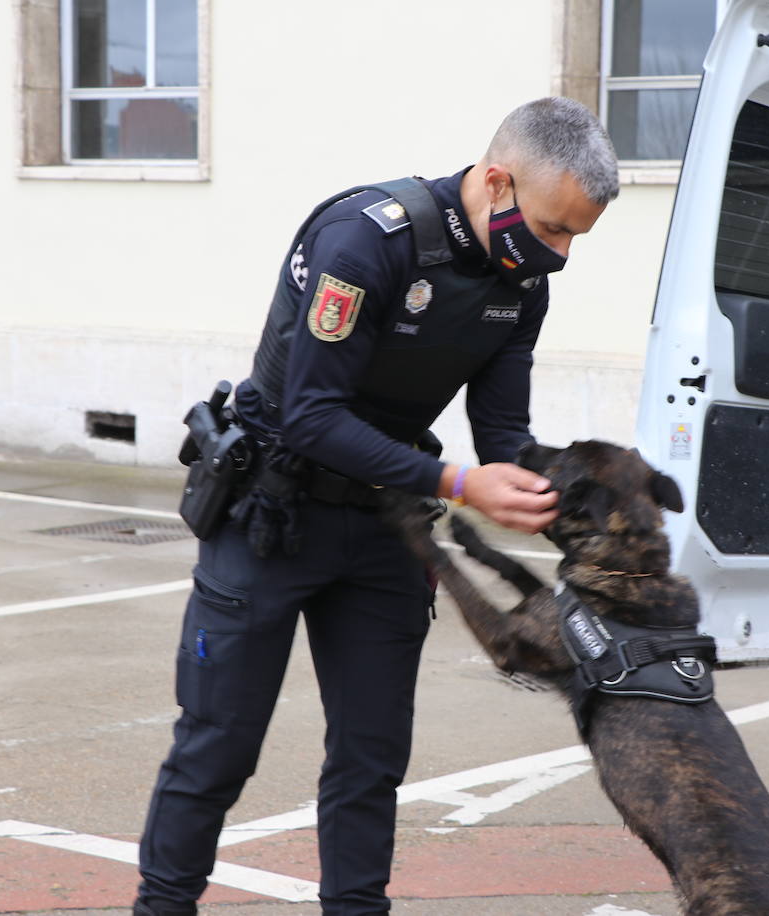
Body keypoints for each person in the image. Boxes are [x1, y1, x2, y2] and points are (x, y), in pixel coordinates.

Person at [134, 96, 619, 916]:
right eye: (551, 228)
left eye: (575, 237)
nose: (558, 254)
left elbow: (503, 429)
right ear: (497, 182)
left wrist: (560, 491)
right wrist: (462, 485)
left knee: (371, 758)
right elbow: (310, 415)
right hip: (271, 516)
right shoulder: (369, 238)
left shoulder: (522, 281)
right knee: (216, 748)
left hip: (386, 529)